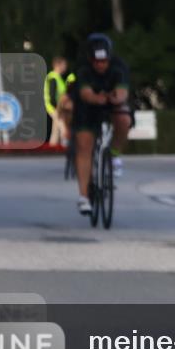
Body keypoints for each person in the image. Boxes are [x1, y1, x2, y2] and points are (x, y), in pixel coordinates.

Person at [69, 33, 133, 215]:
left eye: (104, 61)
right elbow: (85, 93)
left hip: (112, 102)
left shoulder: (119, 66)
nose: (100, 65)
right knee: (84, 145)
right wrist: (97, 98)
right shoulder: (82, 68)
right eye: (96, 62)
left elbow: (122, 92)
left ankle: (113, 155)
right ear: (90, 59)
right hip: (87, 106)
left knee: (124, 119)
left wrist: (115, 98)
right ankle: (84, 197)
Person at [44, 56, 75, 145]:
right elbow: (52, 95)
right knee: (63, 128)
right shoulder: (53, 77)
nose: (65, 67)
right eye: (64, 65)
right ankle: (66, 147)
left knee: (56, 130)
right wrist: (58, 109)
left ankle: (51, 148)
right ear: (58, 65)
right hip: (53, 107)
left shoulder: (58, 78)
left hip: (57, 107)